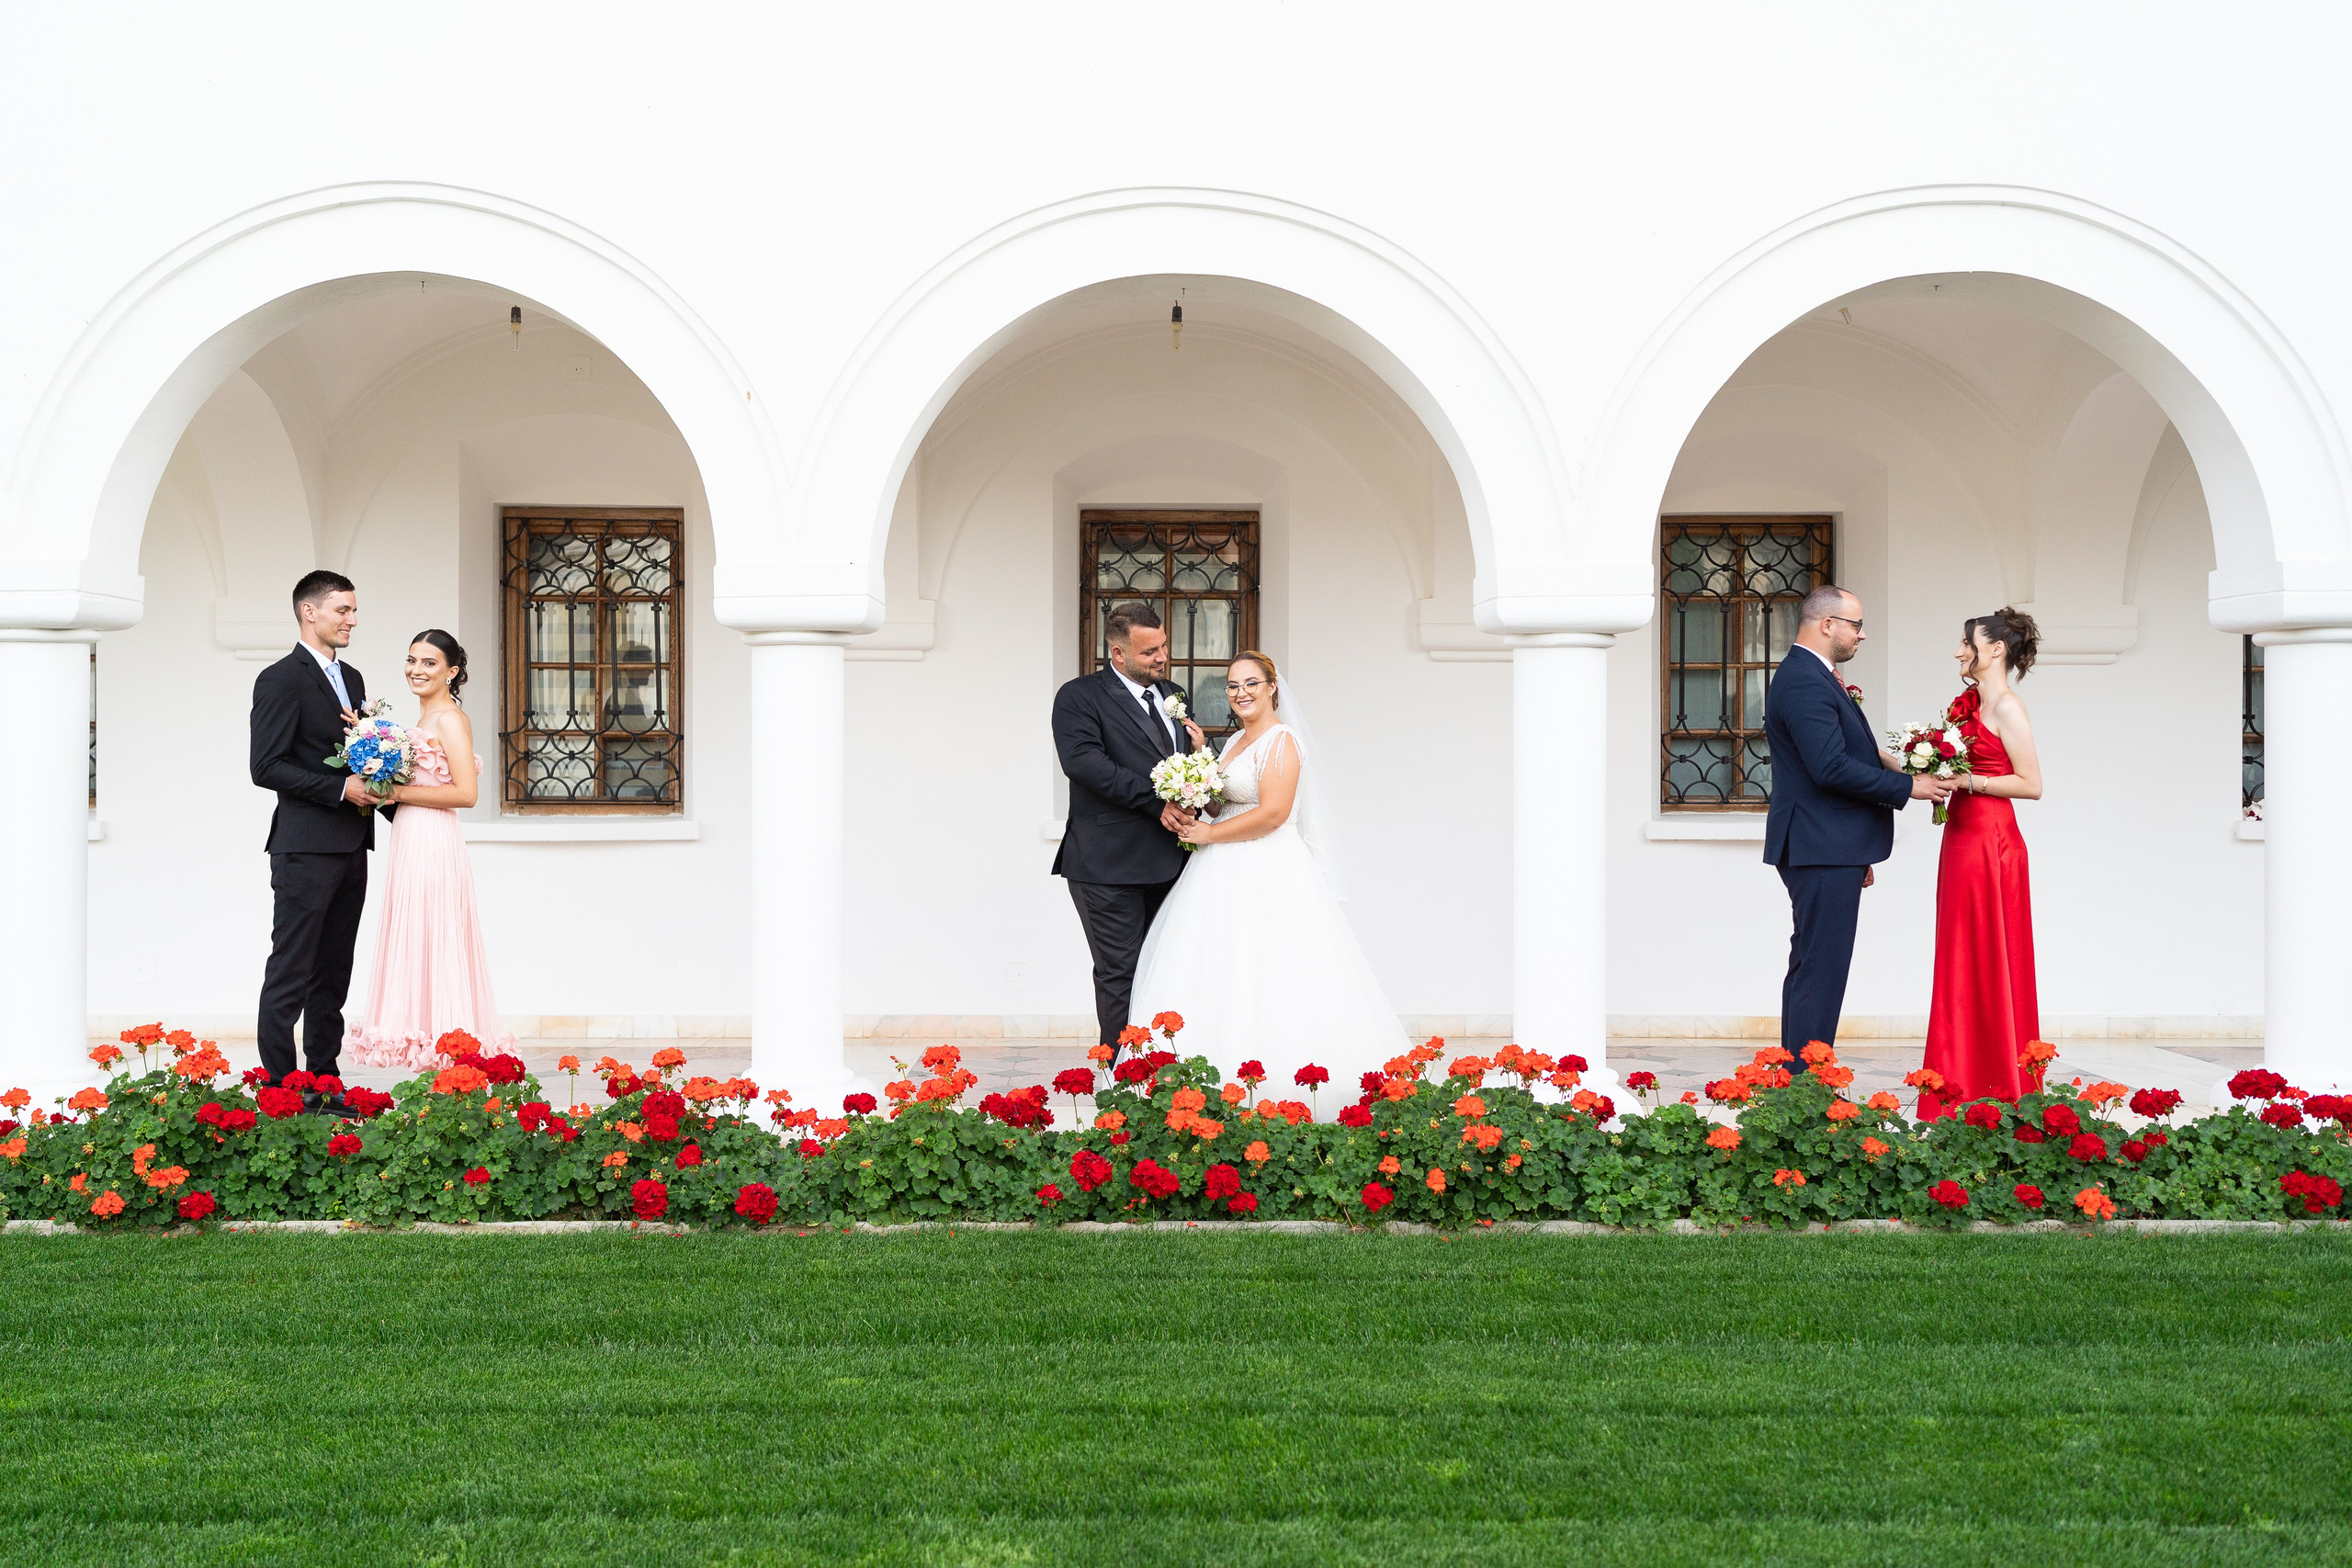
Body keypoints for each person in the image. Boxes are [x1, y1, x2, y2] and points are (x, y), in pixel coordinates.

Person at [1131, 650, 1408, 1085]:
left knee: (1269, 967)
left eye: (1251, 683)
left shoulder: (1282, 741)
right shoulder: (1234, 743)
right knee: (1216, 965)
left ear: (1272, 687)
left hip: (1265, 868)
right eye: (1232, 685)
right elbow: (1223, 804)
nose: (1240, 693)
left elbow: (1274, 814)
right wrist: (1198, 769)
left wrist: (1207, 835)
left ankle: (1274, 1075)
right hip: (1218, 872)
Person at [1762, 585, 1953, 1057]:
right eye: (1857, 625)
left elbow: (1838, 753)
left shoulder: (1813, 674)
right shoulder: (1805, 680)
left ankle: (1800, 1076)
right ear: (1827, 625)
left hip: (1829, 844)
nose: (1862, 635)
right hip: (1819, 844)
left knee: (1815, 965)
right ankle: (1807, 1082)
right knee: (1821, 970)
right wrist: (1909, 787)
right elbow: (1828, 768)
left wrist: (1887, 766)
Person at [345, 629, 514, 1068]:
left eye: (429, 663)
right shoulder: (422, 720)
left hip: (433, 839)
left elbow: (466, 794)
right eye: (411, 660)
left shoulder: (449, 719)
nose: (416, 670)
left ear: (451, 672)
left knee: (437, 935)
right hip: (410, 835)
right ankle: (425, 1048)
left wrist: (396, 793)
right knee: (416, 935)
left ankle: (450, 1048)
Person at [249, 570, 379, 1107]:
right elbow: (266, 766)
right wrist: (340, 789)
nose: (352, 620)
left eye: (353, 610)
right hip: (303, 849)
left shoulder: (353, 678)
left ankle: (325, 1085)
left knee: (333, 974)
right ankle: (281, 1091)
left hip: (353, 846)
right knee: (291, 971)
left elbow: (360, 755)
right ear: (310, 612)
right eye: (343, 610)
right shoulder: (280, 679)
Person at [1050, 603, 1204, 1059]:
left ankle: (1167, 1072)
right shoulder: (1079, 696)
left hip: (1173, 861)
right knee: (1120, 974)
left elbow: (1180, 765)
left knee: (1167, 969)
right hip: (1108, 864)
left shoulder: (1174, 693)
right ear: (1117, 653)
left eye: (1164, 646)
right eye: (1150, 651)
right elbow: (1085, 765)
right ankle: (1122, 1079)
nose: (1162, 657)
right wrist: (1157, 803)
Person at [1916, 609, 2044, 1118]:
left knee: (1990, 955)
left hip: (1991, 842)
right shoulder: (1968, 705)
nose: (1958, 651)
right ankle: (1958, 1084)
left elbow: (2032, 784)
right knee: (1959, 955)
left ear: (1996, 650)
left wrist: (1968, 781)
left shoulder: (2008, 707)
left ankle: (1998, 1084)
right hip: (1961, 837)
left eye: (1967, 643)